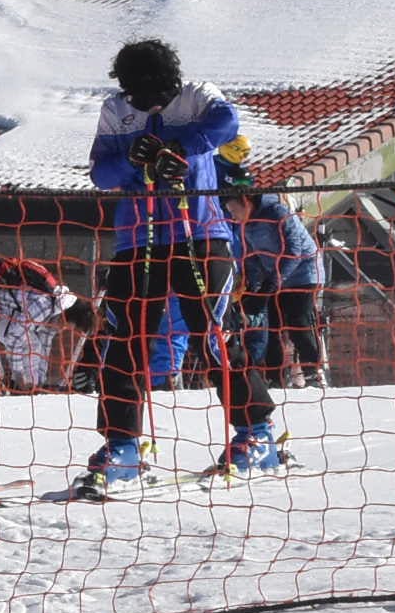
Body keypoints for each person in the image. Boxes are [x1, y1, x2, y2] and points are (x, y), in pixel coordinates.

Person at [76, 36, 278, 493]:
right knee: (126, 340)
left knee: (211, 335)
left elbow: (228, 123)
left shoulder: (198, 95)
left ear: (172, 83)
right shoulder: (115, 110)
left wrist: (179, 147)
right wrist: (133, 161)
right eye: (138, 95)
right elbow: (100, 172)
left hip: (201, 232)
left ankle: (257, 433)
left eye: (157, 95)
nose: (148, 102)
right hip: (137, 237)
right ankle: (123, 443)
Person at [220, 155, 327, 387]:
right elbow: (253, 259)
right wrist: (255, 287)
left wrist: (274, 280)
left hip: (303, 272)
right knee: (272, 326)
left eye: (232, 208)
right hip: (275, 277)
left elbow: (294, 249)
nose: (231, 215)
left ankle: (313, 373)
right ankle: (275, 378)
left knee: (298, 320)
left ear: (245, 200)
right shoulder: (244, 225)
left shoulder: (277, 213)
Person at [0, 257, 79, 393]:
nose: (63, 329)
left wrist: (37, 383)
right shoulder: (44, 304)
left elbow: (43, 346)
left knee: (32, 345)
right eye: (66, 326)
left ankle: (28, 393)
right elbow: (13, 337)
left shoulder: (53, 313)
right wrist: (19, 376)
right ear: (65, 314)